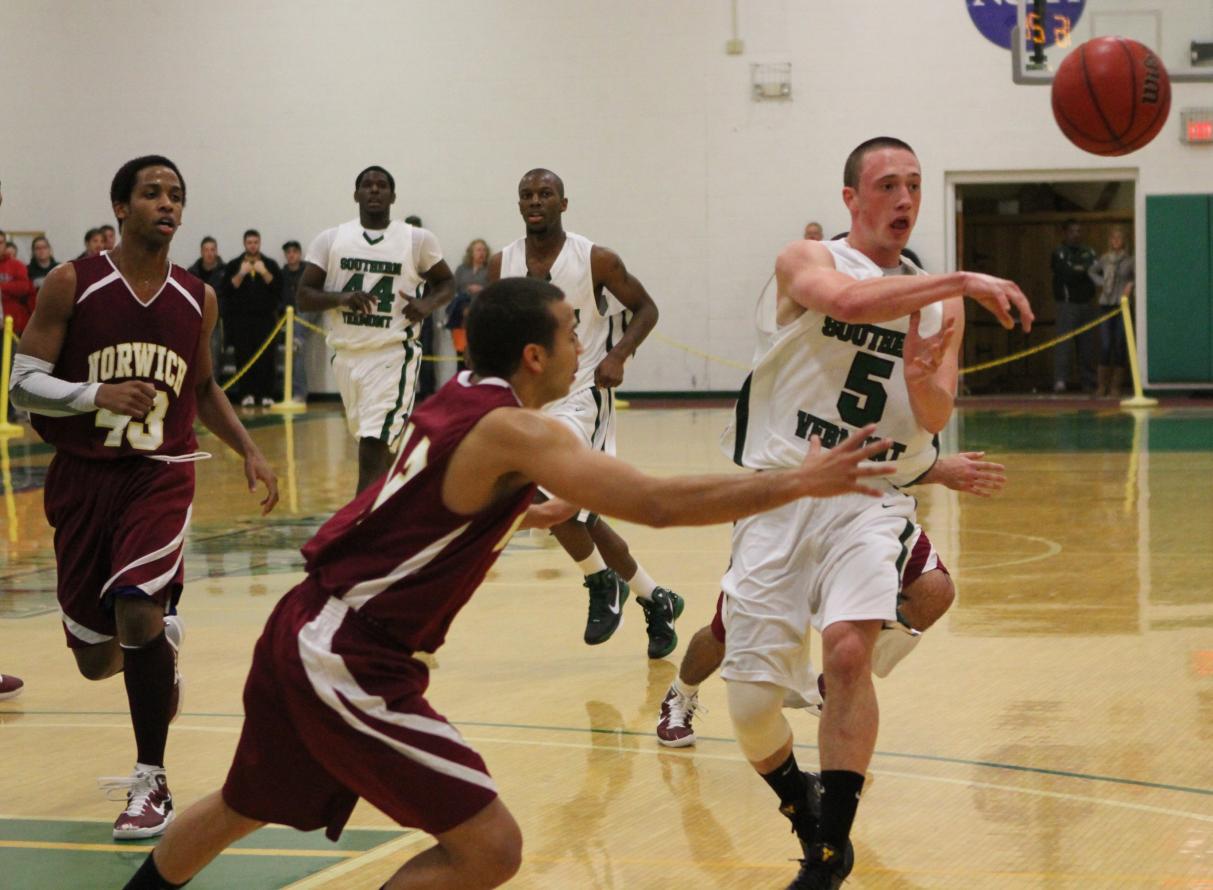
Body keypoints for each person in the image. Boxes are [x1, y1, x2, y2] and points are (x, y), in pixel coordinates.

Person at [120, 275, 895, 890]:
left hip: (305, 624)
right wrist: (799, 482)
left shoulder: (459, 398)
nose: (581, 344)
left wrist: (523, 512)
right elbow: (656, 504)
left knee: (243, 805)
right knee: (490, 848)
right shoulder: (515, 430)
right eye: (571, 332)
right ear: (533, 355)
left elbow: (423, 502)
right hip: (348, 656)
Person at [719, 137, 1032, 888]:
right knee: (752, 707)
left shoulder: (938, 300)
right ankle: (801, 804)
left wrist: (922, 379)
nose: (904, 199)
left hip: (866, 497)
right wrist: (959, 279)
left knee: (848, 654)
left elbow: (935, 411)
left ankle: (829, 851)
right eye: (887, 185)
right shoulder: (806, 259)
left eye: (914, 185)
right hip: (780, 491)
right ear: (850, 200)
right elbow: (849, 304)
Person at [9, 155, 279, 840]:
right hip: (81, 478)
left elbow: (204, 386)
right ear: (121, 207)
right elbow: (21, 385)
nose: (167, 204)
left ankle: (150, 781)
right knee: (97, 659)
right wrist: (93, 394)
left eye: (176, 195)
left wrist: (248, 448)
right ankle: (161, 649)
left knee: (136, 607)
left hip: (160, 472)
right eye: (152, 193)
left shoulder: (198, 297)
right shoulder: (72, 282)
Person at [656, 450, 1007, 747]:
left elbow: (900, 444)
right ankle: (681, 693)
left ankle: (837, 683)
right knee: (728, 631)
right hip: (790, 505)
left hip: (869, 506)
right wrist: (939, 469)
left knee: (933, 589)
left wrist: (932, 460)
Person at [488, 168, 683, 660]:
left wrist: (618, 355)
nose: (536, 201)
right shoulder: (501, 263)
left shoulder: (595, 259)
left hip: (581, 395)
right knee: (582, 517)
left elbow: (647, 309)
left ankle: (600, 580)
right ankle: (654, 598)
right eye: (527, 194)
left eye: (545, 193)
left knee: (548, 493)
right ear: (519, 204)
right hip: (531, 401)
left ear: (563, 203)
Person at [298, 167, 454, 492]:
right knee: (379, 447)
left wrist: (426, 305)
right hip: (346, 357)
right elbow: (304, 296)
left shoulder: (416, 239)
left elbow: (446, 283)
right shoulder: (331, 239)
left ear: (393, 196)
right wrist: (341, 297)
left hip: (393, 355)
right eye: (367, 185)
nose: (374, 190)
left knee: (373, 445)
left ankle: (361, 521)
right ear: (355, 194)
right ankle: (404, 502)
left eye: (382, 185)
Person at [221, 229, 281, 407]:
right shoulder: (234, 264)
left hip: (265, 319)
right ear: (244, 244)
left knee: (266, 357)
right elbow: (226, 290)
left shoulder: (270, 264)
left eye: (255, 242)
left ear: (259, 243)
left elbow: (279, 288)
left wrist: (264, 273)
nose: (253, 246)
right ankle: (246, 393)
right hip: (241, 320)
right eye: (249, 242)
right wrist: (241, 273)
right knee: (243, 356)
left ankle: (266, 394)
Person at [1050, 219, 1098, 394]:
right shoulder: (1059, 252)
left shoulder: (1089, 251)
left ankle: (1089, 381)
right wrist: (1083, 270)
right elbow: (1067, 274)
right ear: (1065, 233)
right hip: (1067, 304)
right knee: (1064, 345)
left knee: (1087, 345)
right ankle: (1060, 380)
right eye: (1072, 231)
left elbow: (1096, 272)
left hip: (1087, 303)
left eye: (1079, 231)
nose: (1076, 234)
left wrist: (1080, 270)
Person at [1088, 225, 1134, 399]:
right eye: (1113, 238)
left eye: (1119, 238)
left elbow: (1136, 277)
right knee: (1106, 344)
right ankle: (1102, 386)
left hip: (1121, 305)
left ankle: (1116, 386)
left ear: (1124, 241)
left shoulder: (1130, 260)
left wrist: (1130, 285)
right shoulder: (1105, 259)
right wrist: (1102, 282)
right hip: (1106, 304)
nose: (1116, 241)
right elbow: (1091, 271)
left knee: (1120, 344)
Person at [186, 237, 227, 381]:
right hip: (196, 320)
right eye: (206, 250)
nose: (209, 253)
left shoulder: (225, 272)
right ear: (201, 252)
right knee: (195, 356)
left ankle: (214, 387)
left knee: (215, 356)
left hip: (217, 321)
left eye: (212, 250)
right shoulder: (191, 272)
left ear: (216, 251)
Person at [449, 238, 490, 365]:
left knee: (479, 349)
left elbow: (496, 289)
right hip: (460, 316)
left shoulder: (490, 270)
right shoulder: (461, 269)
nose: (481, 253)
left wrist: (481, 289)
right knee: (461, 351)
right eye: (478, 250)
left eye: (484, 250)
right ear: (471, 252)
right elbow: (452, 289)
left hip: (481, 314)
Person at [278, 239, 310, 402]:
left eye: (294, 252)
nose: (291, 255)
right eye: (288, 252)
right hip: (287, 316)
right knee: (295, 352)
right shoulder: (281, 274)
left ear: (300, 254)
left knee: (296, 348)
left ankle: (299, 392)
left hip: (306, 313)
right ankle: (294, 392)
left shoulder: (308, 272)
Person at [0, 229, 35, 334]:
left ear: (5, 245)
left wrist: (1, 287)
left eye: (0, 242)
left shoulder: (17, 265)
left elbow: (23, 287)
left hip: (11, 324)